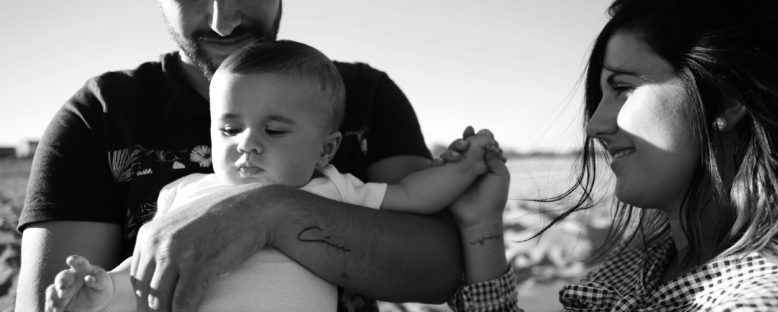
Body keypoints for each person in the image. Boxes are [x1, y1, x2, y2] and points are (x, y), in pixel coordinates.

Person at [16, 1, 466, 311]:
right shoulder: (98, 116)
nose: (223, 21)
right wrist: (101, 291)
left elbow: (442, 265)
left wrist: (268, 212)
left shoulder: (363, 98)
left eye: (275, 130)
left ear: (326, 146)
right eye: (229, 130)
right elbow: (134, 276)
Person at [444, 0, 778, 310]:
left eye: (623, 89)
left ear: (726, 97)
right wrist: (482, 226)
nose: (594, 125)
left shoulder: (768, 301)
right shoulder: (655, 260)